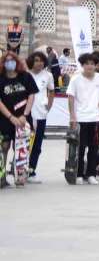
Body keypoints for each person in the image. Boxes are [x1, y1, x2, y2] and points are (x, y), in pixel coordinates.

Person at [66, 53, 99, 183]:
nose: (89, 66)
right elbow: (70, 98)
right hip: (80, 118)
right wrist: (72, 116)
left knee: (94, 148)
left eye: (92, 64)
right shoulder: (75, 79)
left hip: (96, 118)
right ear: (82, 65)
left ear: (96, 65)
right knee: (81, 147)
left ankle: (91, 175)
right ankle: (78, 174)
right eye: (87, 63)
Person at [0, 51, 37, 185]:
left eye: (13, 60)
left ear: (17, 62)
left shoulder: (25, 77)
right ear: (3, 63)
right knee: (4, 146)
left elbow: (31, 96)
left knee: (22, 147)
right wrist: (10, 117)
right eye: (7, 60)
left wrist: (24, 115)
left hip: (23, 118)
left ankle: (20, 175)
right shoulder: (1, 78)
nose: (10, 63)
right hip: (5, 118)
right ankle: (1, 177)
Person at [25, 50, 54, 182]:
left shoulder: (48, 75)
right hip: (26, 114)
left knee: (37, 144)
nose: (39, 63)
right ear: (31, 61)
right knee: (24, 143)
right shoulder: (25, 74)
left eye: (42, 61)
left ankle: (31, 171)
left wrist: (49, 105)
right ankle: (20, 169)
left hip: (41, 114)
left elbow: (52, 91)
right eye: (36, 60)